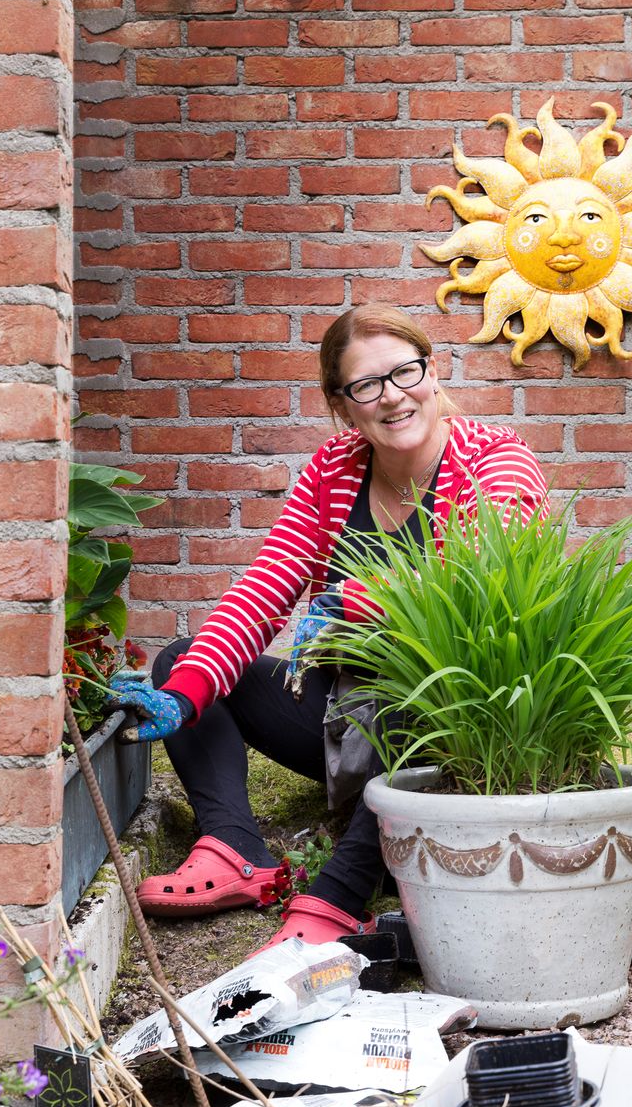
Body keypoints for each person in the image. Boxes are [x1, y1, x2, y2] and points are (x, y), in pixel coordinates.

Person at [109, 304, 548, 951]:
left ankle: (340, 894)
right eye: (366, 385)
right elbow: (265, 588)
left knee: (423, 706)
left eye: (405, 372)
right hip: (348, 714)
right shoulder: (334, 470)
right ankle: (235, 849)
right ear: (342, 404)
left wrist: (364, 600)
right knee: (182, 660)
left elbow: (479, 584)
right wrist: (185, 694)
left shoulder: (496, 461)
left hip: (453, 722)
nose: (392, 396)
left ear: (432, 372)